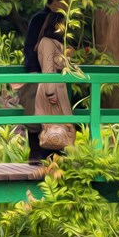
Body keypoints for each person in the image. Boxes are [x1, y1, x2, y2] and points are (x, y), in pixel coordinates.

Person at [20, 0, 65, 164]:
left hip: (53, 74)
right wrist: (32, 70)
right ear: (55, 1)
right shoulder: (40, 18)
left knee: (51, 113)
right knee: (36, 112)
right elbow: (30, 46)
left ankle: (51, 153)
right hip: (39, 72)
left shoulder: (62, 19)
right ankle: (36, 153)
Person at [35, 11, 75, 155]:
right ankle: (52, 164)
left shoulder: (54, 43)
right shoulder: (47, 42)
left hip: (56, 87)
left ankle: (59, 164)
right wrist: (51, 92)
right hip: (51, 88)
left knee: (62, 129)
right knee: (54, 130)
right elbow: (48, 68)